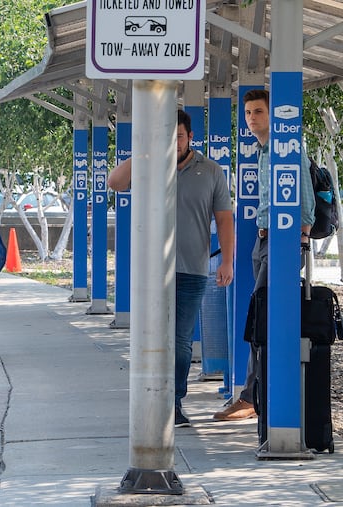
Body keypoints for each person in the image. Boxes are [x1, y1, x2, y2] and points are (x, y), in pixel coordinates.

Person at [108, 109, 235, 428]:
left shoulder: (211, 171)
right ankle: (151, 397)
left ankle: (174, 401)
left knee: (179, 340)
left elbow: (223, 219)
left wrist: (228, 261)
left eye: (178, 136)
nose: (173, 142)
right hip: (151, 272)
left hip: (192, 270)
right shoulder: (150, 164)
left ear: (190, 137)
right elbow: (115, 182)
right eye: (167, 136)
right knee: (151, 335)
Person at [213, 88, 315, 421]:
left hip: (281, 244)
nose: (251, 118)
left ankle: (252, 397)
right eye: (248, 113)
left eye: (258, 112)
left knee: (262, 318)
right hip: (262, 242)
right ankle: (255, 394)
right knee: (261, 317)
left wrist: (300, 238)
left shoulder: (288, 150)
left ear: (272, 115)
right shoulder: (262, 151)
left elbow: (305, 200)